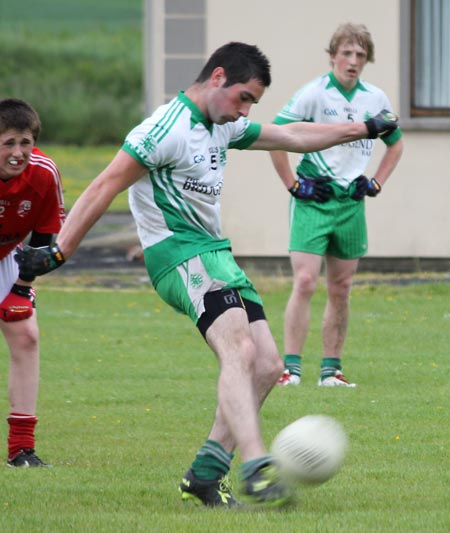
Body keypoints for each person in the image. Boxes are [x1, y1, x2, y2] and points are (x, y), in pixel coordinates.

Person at [15, 42, 397, 505]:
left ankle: (205, 473)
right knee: (238, 347)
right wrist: (60, 250)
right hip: (176, 254)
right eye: (244, 98)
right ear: (217, 78)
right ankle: (256, 465)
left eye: (251, 103)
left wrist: (365, 128)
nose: (245, 110)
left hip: (215, 253)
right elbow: (105, 184)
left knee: (269, 366)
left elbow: (293, 135)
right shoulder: (164, 129)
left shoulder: (222, 125)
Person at [270, 23, 404, 388]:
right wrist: (295, 185)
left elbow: (395, 143)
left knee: (341, 287)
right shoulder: (313, 94)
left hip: (350, 202)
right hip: (316, 199)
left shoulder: (375, 99)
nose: (353, 61)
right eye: (346, 53)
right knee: (304, 281)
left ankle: (331, 371)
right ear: (332, 56)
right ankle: (290, 370)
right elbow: (276, 138)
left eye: (360, 55)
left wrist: (375, 182)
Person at [0, 98, 65, 466]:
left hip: (8, 254)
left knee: (26, 336)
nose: (18, 152)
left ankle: (21, 449)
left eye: (25, 142)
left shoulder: (43, 173)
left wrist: (22, 288)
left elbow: (42, 242)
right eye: (8, 143)